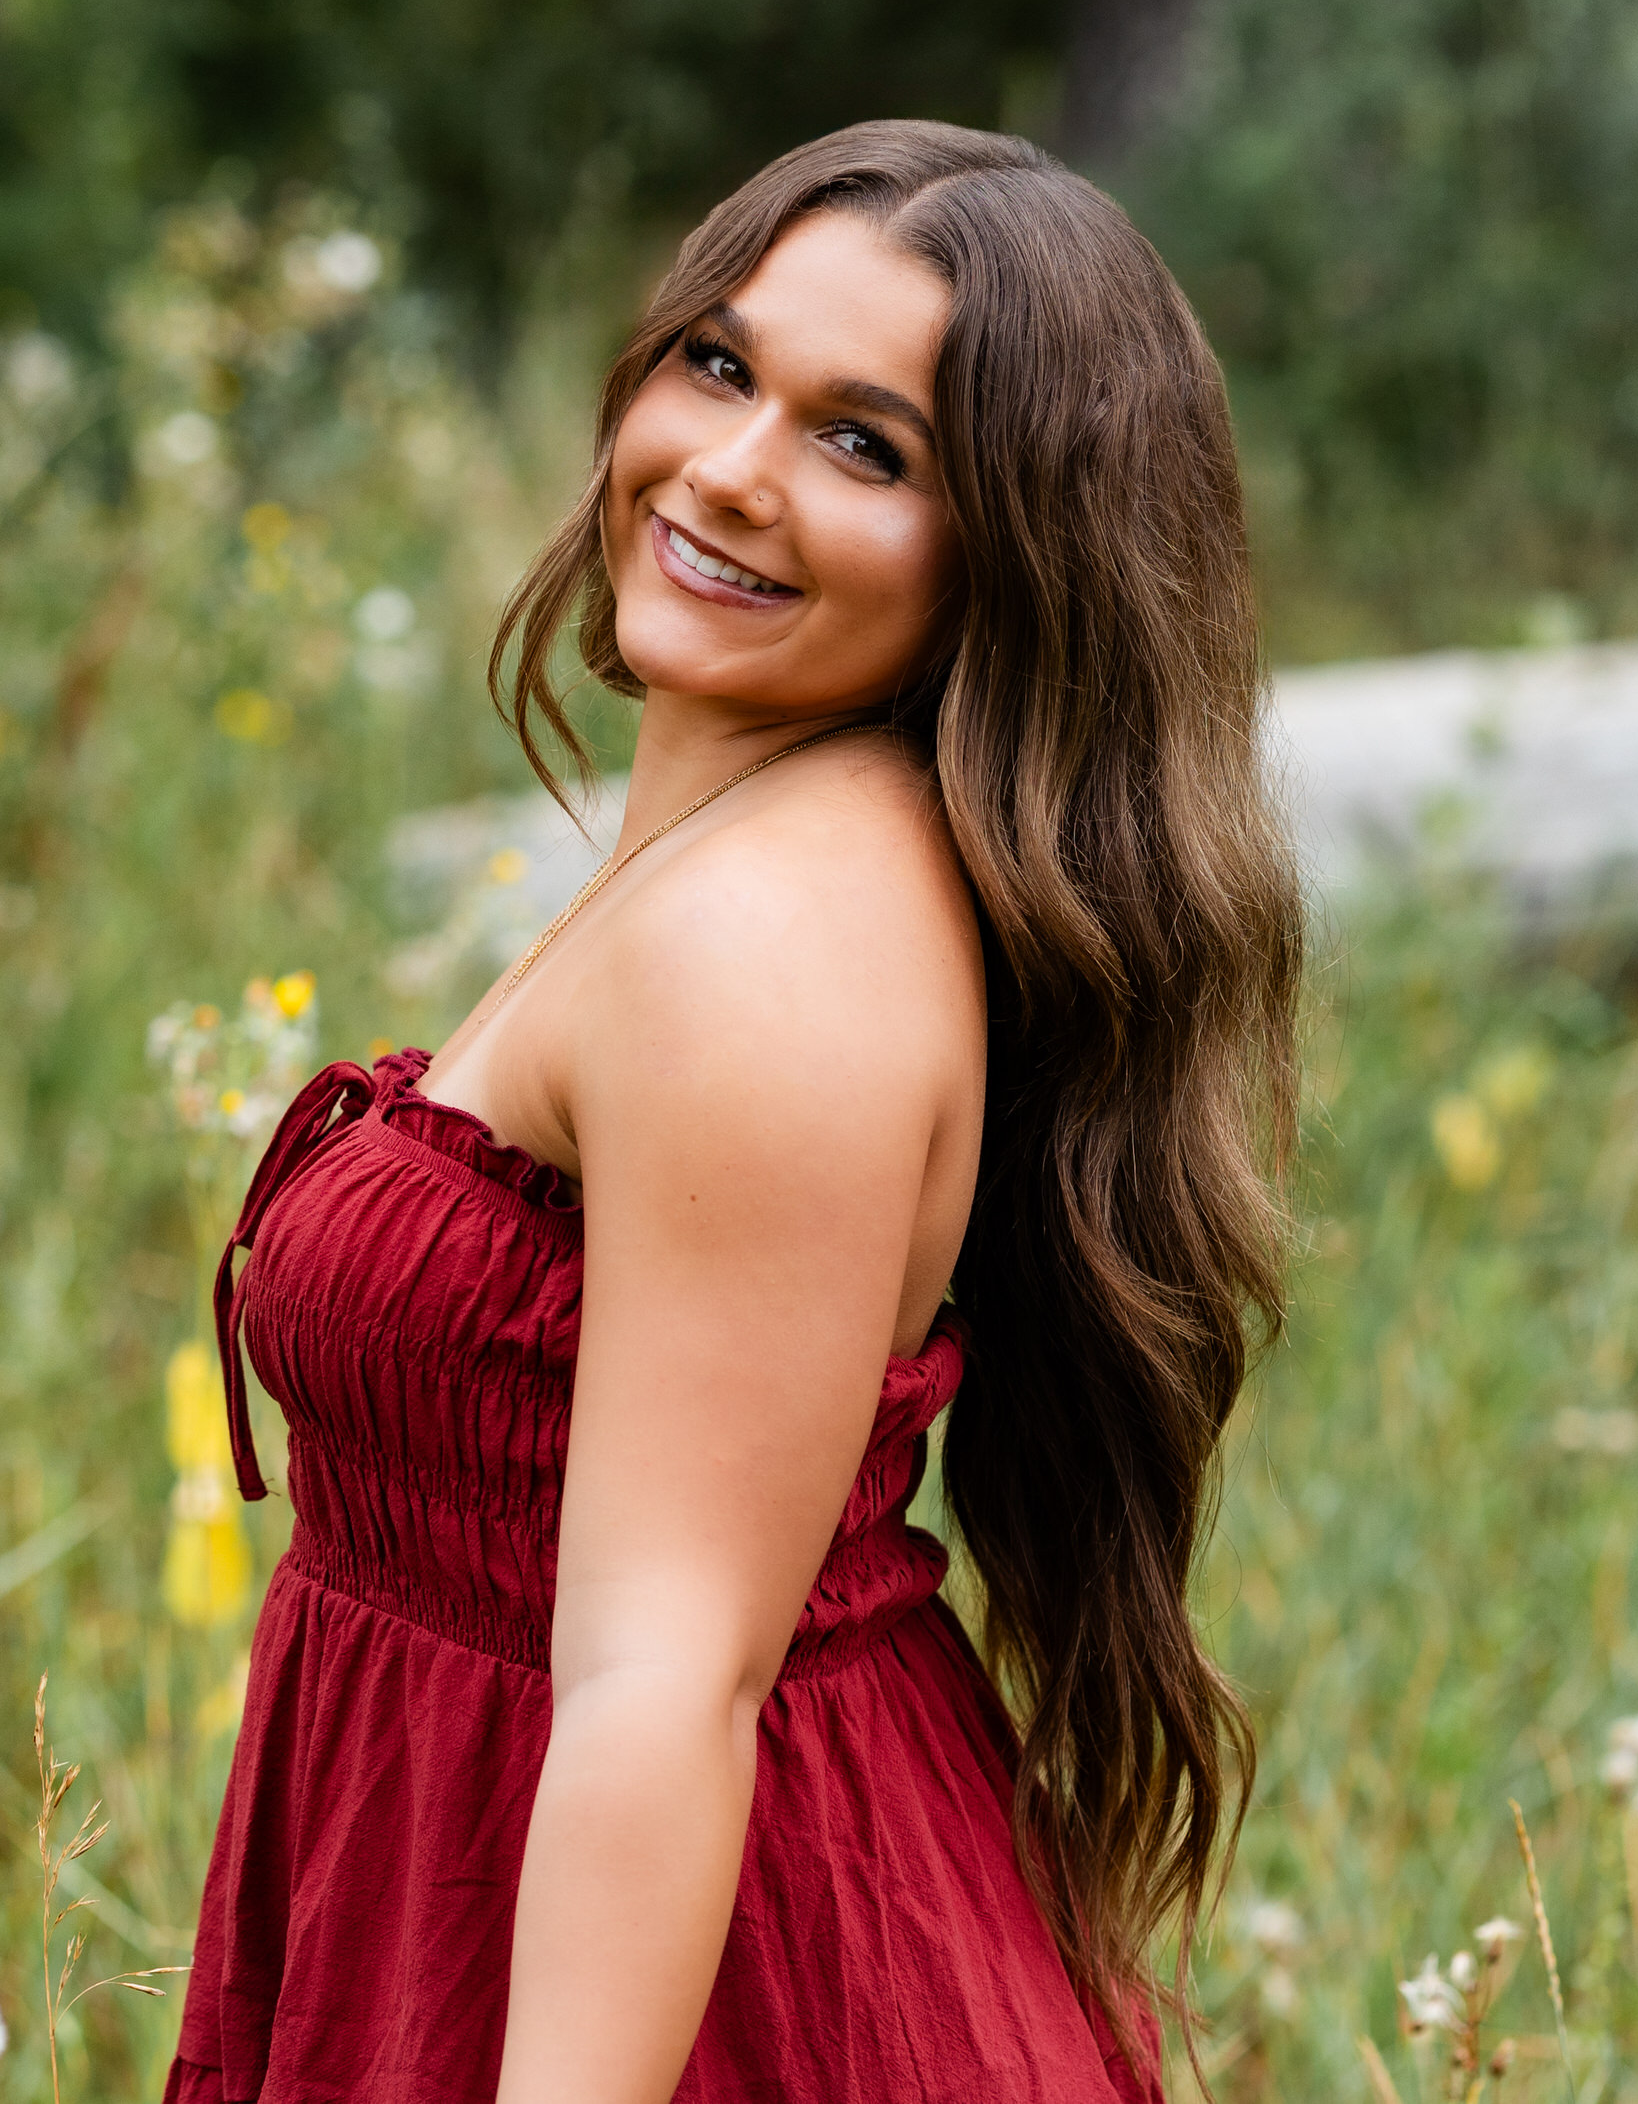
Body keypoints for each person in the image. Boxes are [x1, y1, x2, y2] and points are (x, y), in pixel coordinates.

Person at [164, 120, 1301, 2104]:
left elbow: (664, 1679)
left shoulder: (770, 951)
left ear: (1012, 562)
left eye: (866, 446)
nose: (730, 470)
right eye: (718, 360)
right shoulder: (754, 865)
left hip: (695, 2000)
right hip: (512, 1910)